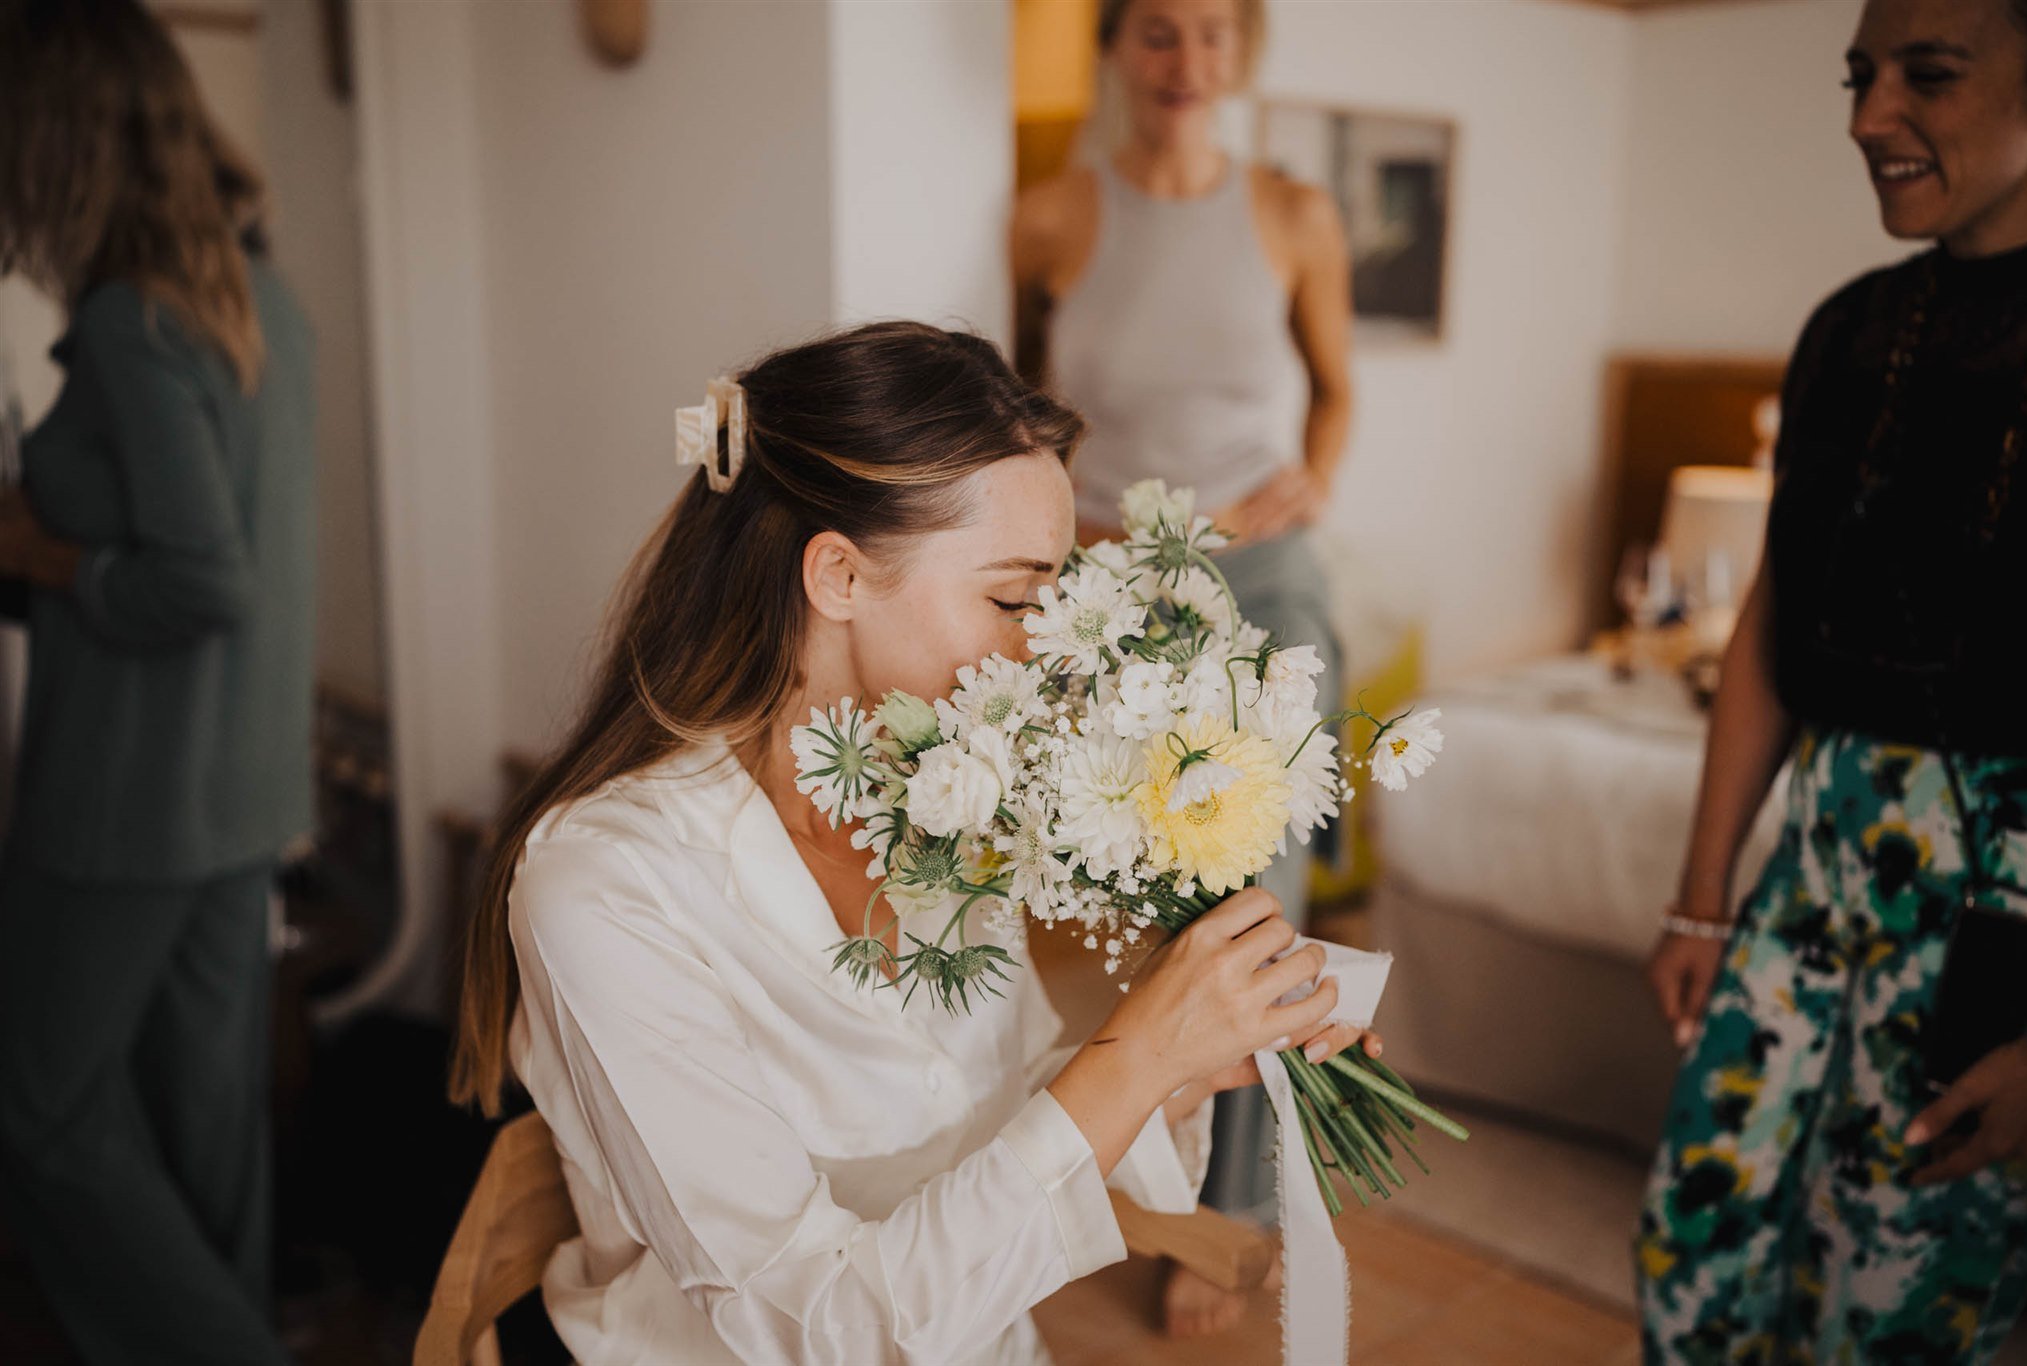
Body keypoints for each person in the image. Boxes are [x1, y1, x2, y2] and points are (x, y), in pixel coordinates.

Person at [447, 322, 1375, 1366]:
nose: (1045, 652)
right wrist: (1139, 1052)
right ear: (838, 576)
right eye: (1012, 598)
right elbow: (810, 1325)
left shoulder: (949, 803)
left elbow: (1017, 1123)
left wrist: (1196, 1056)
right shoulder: (607, 885)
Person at [1638, 0, 2027, 1359]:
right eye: (1860, 76)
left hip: (2009, 891)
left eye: (1925, 75)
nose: (1868, 117)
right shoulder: (1849, 329)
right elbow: (1770, 613)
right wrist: (1702, 898)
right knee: (1692, 1244)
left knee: (1893, 1300)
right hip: (1816, 847)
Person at [1010, 0, 1354, 1332]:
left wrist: (1320, 472)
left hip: (1266, 590)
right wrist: (1054, 531)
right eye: (1158, 31)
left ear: (1243, 56)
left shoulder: (1296, 214)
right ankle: (1136, 1165)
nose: (1186, 62)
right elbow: (1015, 406)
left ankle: (1235, 1221)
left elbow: (1335, 383)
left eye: (1214, 34)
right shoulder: (1045, 216)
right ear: (1114, 50)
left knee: (1255, 902)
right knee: (1145, 902)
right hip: (1111, 591)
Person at [0, 1, 315, 1362]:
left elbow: (202, 577)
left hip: (126, 794)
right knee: (205, 1126)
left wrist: (39, 548)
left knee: (40, 1106)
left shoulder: (134, 320)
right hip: (241, 789)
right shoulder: (261, 300)